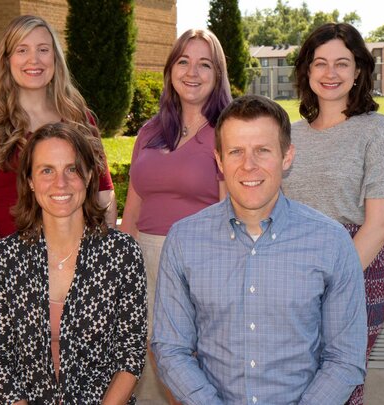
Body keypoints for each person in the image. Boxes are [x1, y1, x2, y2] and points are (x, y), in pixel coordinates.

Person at [152, 95, 367, 404]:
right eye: (236, 151)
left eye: (262, 151)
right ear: (219, 160)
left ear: (287, 156)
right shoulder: (184, 240)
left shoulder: (330, 243)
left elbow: (345, 358)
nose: (248, 165)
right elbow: (171, 349)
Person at [0, 15, 116, 326]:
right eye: (22, 50)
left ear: (55, 58)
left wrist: (92, 260)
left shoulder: (80, 119)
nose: (34, 59)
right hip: (6, 277)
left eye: (44, 49)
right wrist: (14, 265)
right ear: (6, 59)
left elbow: (104, 196)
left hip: (74, 277)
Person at [283, 22, 384, 405]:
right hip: (290, 270)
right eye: (320, 63)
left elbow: (380, 224)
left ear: (359, 71)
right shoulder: (288, 134)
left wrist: (325, 285)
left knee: (338, 386)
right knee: (289, 381)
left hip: (354, 268)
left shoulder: (376, 130)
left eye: (342, 63)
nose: (330, 73)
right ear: (307, 70)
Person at [0, 122, 146, 403]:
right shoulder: (5, 258)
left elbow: (130, 354)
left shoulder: (122, 254)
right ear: (30, 181)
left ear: (88, 177)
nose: (61, 183)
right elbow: (0, 359)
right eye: (47, 170)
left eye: (72, 169)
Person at [118, 29, 230, 401]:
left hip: (202, 260)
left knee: (195, 364)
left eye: (204, 64)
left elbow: (230, 210)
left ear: (218, 74)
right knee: (162, 357)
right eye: (183, 61)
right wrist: (125, 267)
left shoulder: (225, 132)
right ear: (170, 70)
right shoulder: (150, 131)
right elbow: (133, 207)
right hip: (146, 260)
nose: (192, 72)